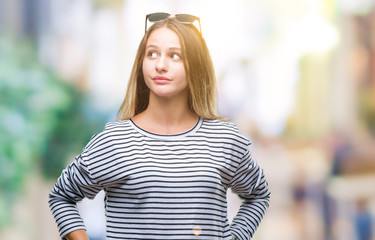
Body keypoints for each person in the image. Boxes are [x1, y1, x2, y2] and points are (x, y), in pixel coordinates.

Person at [49, 12, 270, 240]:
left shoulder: (223, 138)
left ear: (195, 65)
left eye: (175, 56)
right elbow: (61, 196)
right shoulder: (115, 141)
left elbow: (258, 196)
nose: (161, 65)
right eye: (152, 54)